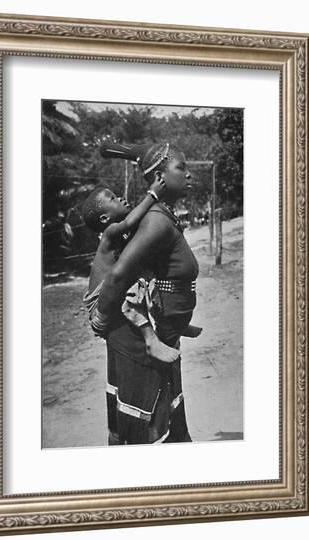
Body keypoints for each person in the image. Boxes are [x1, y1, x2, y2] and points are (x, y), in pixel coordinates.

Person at [92, 142, 200, 445]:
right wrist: (100, 316)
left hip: (167, 331)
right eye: (182, 168)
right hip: (147, 344)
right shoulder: (155, 222)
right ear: (161, 177)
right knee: (150, 431)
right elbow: (117, 275)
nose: (189, 175)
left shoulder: (161, 217)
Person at [82, 177, 181, 364]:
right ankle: (150, 340)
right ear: (105, 219)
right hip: (100, 305)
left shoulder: (121, 235)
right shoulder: (110, 234)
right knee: (136, 286)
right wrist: (152, 195)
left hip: (111, 293)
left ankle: (174, 321)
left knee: (146, 274)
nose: (120, 198)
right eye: (113, 199)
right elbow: (130, 221)